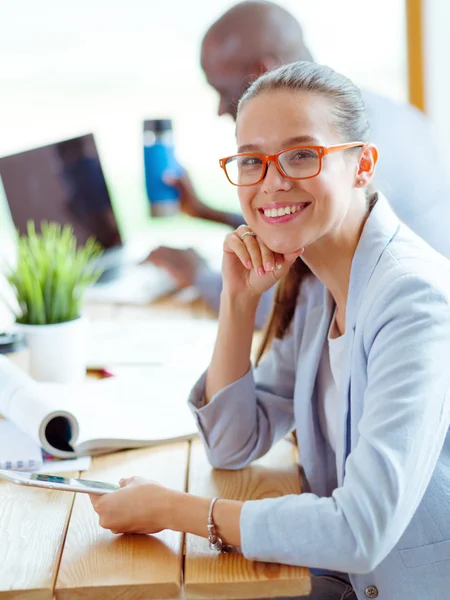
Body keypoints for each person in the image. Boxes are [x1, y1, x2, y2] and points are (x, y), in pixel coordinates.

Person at [91, 61, 450, 599]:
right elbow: (233, 444)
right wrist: (238, 303)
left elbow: (361, 529)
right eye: (251, 161)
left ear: (362, 166)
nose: (272, 181)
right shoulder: (315, 282)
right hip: (340, 578)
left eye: (302, 154)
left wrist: (174, 509)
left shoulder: (412, 300)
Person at [148, 0, 450, 326]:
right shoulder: (358, 114)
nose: (221, 109)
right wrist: (207, 212)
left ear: (261, 74)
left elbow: (290, 307)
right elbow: (299, 209)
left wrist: (202, 277)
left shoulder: (343, 150)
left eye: (224, 91)